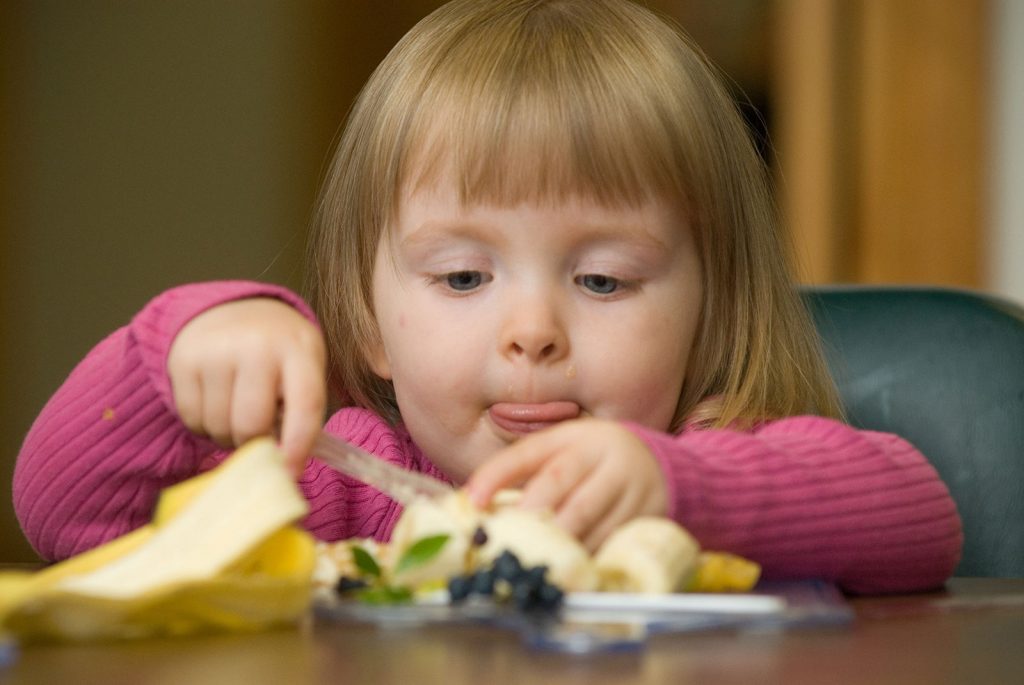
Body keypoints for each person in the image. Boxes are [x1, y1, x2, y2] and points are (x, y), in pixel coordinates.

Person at [13, 0, 961, 594]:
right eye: (464, 277)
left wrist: (682, 490)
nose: (533, 333)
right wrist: (173, 352)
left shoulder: (713, 461)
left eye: (602, 280)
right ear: (370, 311)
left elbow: (921, 518)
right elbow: (63, 516)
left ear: (712, 308)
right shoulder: (342, 486)